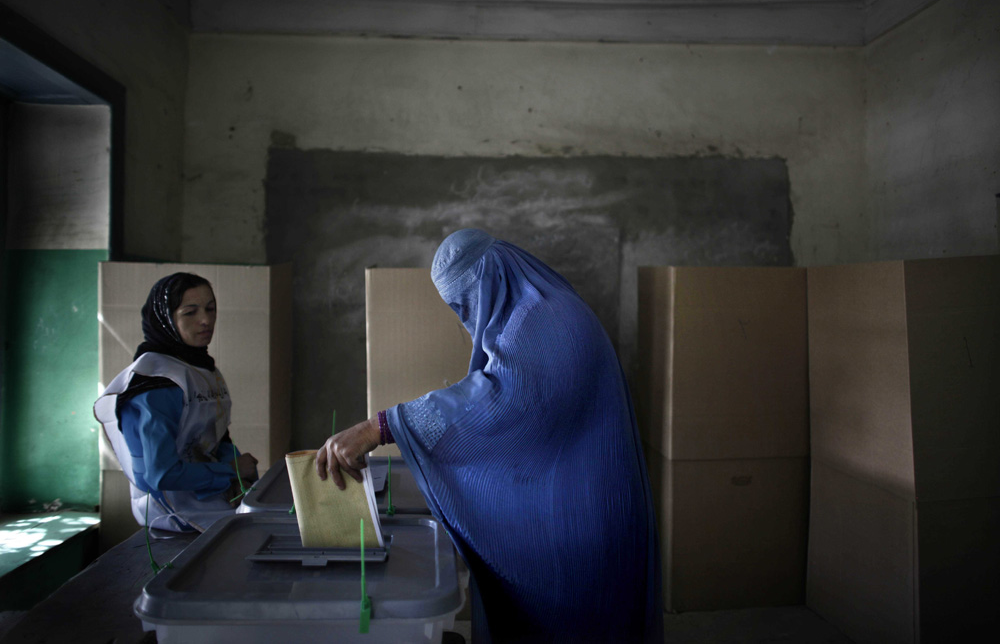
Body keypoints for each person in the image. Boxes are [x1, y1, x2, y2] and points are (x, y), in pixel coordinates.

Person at [317, 229, 662, 643]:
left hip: (582, 526)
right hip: (577, 508)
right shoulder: (536, 313)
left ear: (493, 278)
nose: (467, 316)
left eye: (466, 302)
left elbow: (500, 399)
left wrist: (380, 427)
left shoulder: (548, 321)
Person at [94, 272, 258, 532]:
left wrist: (239, 474)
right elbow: (160, 475)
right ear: (165, 319)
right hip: (173, 510)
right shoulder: (156, 382)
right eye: (190, 312)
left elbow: (216, 435)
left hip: (211, 493)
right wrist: (230, 469)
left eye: (210, 309)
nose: (205, 320)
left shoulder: (201, 368)